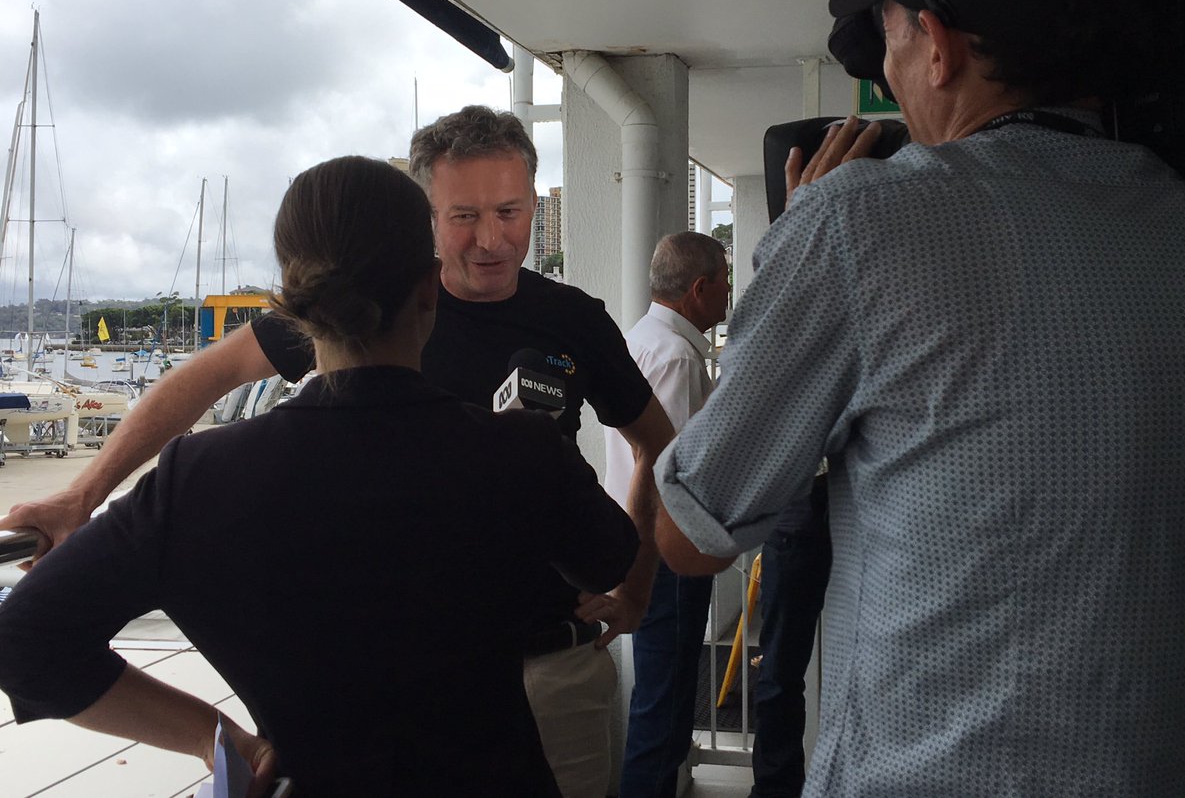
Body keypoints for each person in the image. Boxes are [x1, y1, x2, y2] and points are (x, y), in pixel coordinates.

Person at [653, 0, 1185, 795]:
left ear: (937, 46)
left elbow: (689, 531)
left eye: (891, 38)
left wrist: (795, 248)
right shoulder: (1183, 226)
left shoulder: (858, 224)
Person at [1, 106, 673, 798]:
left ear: (303, 306)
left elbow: (25, 640)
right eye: (464, 217)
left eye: (509, 212)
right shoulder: (516, 445)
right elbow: (611, 548)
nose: (491, 240)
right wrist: (81, 494)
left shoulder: (201, 479)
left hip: (510, 682)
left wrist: (216, 736)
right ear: (425, 274)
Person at [601, 232, 729, 798]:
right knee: (664, 710)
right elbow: (666, 475)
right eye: (723, 282)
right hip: (663, 560)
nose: (729, 294)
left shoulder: (643, 338)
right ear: (699, 289)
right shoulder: (676, 356)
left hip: (638, 549)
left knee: (661, 701)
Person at [748, 477, 830, 798]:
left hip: (798, 518)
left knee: (779, 673)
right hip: (805, 520)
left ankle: (775, 788)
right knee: (779, 672)